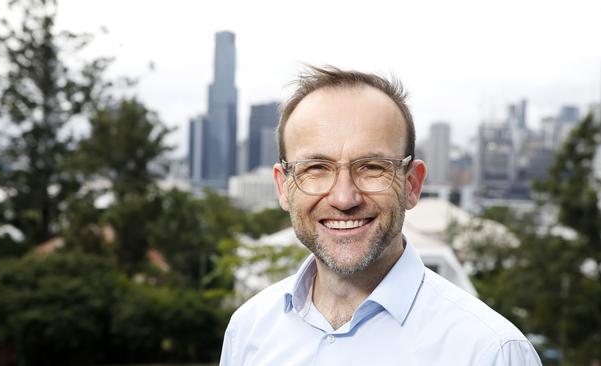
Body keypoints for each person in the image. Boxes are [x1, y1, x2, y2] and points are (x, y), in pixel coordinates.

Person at [219, 66, 542, 365]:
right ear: (283, 187)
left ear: (412, 184)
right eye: (316, 168)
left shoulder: (490, 351)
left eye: (372, 167)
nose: (344, 198)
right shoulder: (249, 330)